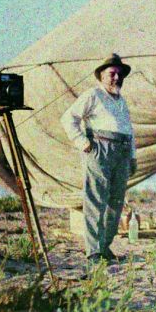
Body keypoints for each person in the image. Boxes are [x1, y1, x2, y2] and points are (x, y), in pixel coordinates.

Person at [61, 54, 136, 261]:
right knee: (96, 200)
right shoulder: (93, 94)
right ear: (101, 76)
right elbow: (69, 118)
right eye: (112, 73)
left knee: (116, 202)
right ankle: (93, 250)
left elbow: (130, 130)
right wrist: (82, 142)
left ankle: (105, 246)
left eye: (120, 75)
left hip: (121, 151)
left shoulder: (122, 100)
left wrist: (132, 156)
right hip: (100, 150)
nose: (116, 78)